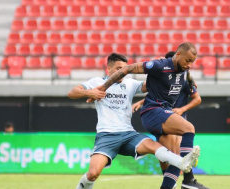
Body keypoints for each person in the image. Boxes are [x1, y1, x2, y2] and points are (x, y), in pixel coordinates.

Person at [68, 53, 199, 189]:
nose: (122, 73)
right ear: (109, 68)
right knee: (92, 174)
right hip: (107, 135)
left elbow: (153, 85)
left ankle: (182, 163)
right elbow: (72, 92)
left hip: (128, 134)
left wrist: (177, 76)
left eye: (124, 69)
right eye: (118, 68)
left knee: (155, 147)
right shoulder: (97, 82)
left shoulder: (130, 83)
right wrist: (90, 93)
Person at [132, 51, 207, 189]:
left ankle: (186, 180)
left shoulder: (184, 79)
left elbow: (197, 98)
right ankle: (179, 182)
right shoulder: (165, 77)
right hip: (162, 117)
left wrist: (182, 109)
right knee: (168, 158)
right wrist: (141, 102)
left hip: (176, 120)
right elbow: (157, 97)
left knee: (175, 157)